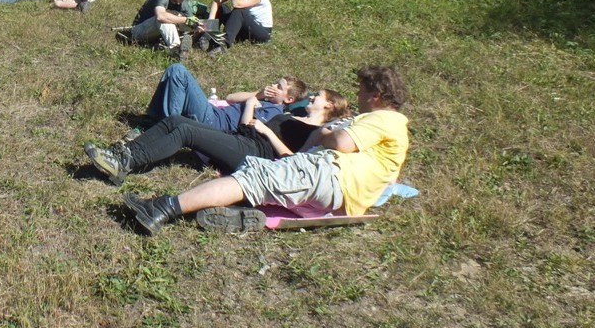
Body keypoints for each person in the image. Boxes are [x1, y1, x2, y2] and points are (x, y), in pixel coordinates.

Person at [121, 65, 410, 234]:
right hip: (339, 199)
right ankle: (238, 214)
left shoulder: (385, 119)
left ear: (376, 96)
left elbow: (341, 143)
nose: (358, 94)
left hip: (327, 176)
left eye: (362, 90)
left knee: (252, 178)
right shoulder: (394, 133)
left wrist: (325, 135)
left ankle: (162, 207)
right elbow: (389, 179)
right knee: (261, 184)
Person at [84, 89, 351, 185]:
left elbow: (294, 161)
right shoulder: (293, 115)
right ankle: (123, 152)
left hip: (254, 155)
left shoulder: (318, 132)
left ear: (329, 106)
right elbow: (247, 122)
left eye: (318, 96)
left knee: (186, 132)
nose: (312, 97)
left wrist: (268, 131)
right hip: (241, 139)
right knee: (177, 120)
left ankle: (125, 163)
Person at [145, 63, 307, 134]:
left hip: (214, 123)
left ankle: (165, 127)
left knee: (178, 71)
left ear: (289, 99)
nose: (273, 86)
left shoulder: (274, 112)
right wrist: (258, 95)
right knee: (172, 71)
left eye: (279, 87)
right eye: (275, 82)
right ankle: (153, 118)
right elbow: (230, 97)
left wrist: (250, 104)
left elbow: (247, 130)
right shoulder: (263, 99)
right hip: (214, 112)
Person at [122, 0, 199, 56]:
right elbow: (160, 16)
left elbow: (191, 20)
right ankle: (176, 50)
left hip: (157, 35)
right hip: (138, 31)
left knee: (190, 24)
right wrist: (185, 19)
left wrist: (197, 26)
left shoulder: (183, 4)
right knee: (165, 19)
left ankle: (193, 44)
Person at [203, 0, 272, 54]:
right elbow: (217, 1)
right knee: (221, 8)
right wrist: (209, 22)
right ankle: (207, 36)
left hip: (261, 33)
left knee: (239, 11)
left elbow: (236, 4)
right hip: (244, 27)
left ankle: (223, 44)